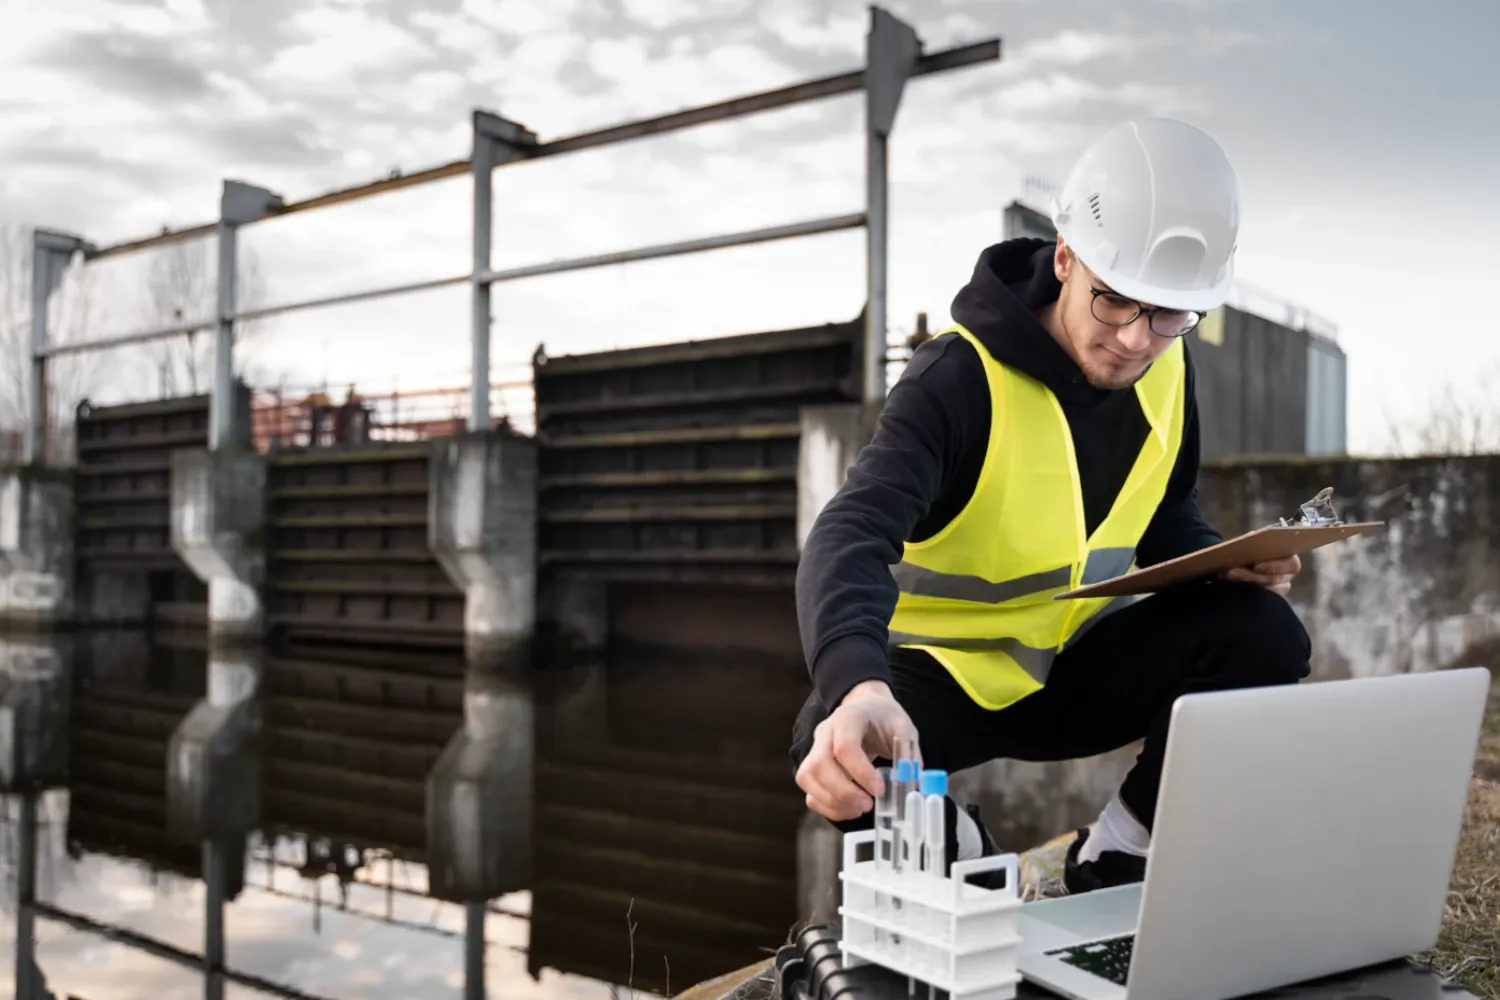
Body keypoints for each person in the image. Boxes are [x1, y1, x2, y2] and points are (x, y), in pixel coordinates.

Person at [789, 117, 1313, 895]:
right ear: (1066, 258)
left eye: (1169, 315)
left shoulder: (1169, 368)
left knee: (1265, 634)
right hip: (948, 684)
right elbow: (851, 531)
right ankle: (970, 858)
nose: (1137, 340)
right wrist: (861, 685)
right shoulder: (956, 382)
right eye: (1115, 303)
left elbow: (1164, 510)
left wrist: (1221, 567)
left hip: (1075, 673)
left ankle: (1119, 855)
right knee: (832, 741)